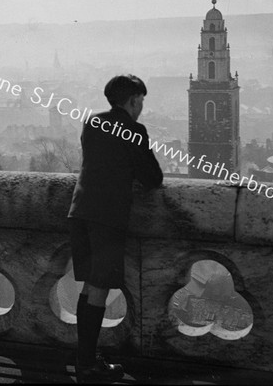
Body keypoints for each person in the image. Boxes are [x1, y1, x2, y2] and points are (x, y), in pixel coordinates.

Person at [67, 74, 163, 383]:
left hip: (80, 210)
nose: (141, 108)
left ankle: (85, 359)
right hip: (107, 217)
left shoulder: (92, 122)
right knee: (99, 287)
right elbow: (153, 178)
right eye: (141, 102)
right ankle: (86, 366)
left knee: (90, 286)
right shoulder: (134, 130)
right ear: (133, 100)